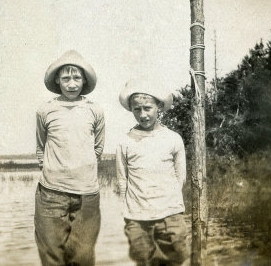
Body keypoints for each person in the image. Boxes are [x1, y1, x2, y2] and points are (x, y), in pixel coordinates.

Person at [34, 50, 105, 266]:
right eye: (66, 78)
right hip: (51, 193)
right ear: (57, 80)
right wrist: (53, 172)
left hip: (87, 195)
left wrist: (82, 172)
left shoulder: (95, 110)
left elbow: (98, 148)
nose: (72, 84)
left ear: (84, 80)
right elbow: (40, 147)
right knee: (52, 256)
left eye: (76, 78)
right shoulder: (45, 110)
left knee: (83, 257)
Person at [116, 80, 190, 266]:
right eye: (137, 109)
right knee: (143, 261)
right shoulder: (125, 142)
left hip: (170, 213)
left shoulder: (173, 139)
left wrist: (168, 204)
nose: (143, 115)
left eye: (148, 108)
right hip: (137, 218)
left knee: (178, 257)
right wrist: (129, 213)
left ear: (159, 107)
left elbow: (180, 177)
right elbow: (122, 180)